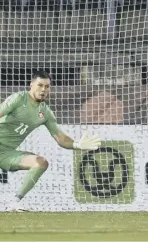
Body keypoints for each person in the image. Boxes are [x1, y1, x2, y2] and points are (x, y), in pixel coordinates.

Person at [0, 70, 101, 212]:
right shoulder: (19, 98)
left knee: (40, 163)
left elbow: (60, 138)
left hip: (6, 154)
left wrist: (76, 144)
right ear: (31, 85)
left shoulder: (45, 112)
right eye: (40, 85)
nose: (43, 90)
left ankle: (13, 203)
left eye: (47, 86)